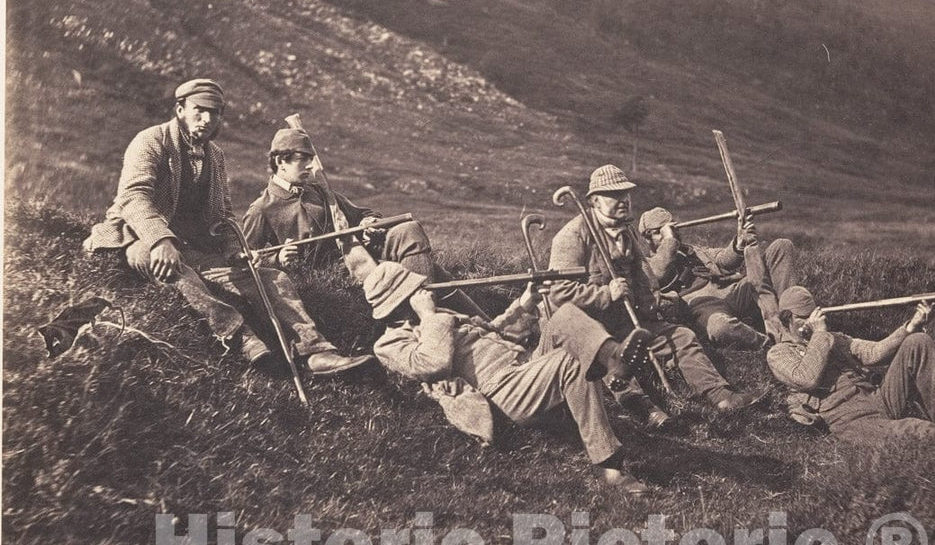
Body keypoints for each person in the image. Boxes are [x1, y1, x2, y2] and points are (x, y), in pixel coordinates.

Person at [83, 78, 372, 376]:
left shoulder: (215, 156)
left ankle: (316, 352)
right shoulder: (151, 141)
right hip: (136, 237)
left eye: (216, 113)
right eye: (200, 110)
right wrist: (160, 240)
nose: (208, 119)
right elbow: (134, 197)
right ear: (180, 109)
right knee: (169, 266)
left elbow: (222, 215)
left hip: (195, 249)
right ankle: (241, 338)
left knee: (271, 278)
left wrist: (236, 251)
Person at [364, 260, 649, 494]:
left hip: (523, 368)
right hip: (501, 391)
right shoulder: (390, 342)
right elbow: (432, 364)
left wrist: (524, 304)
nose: (425, 289)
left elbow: (490, 332)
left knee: (564, 315)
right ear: (402, 301)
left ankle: (614, 359)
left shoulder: (438, 314)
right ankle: (609, 465)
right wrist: (428, 317)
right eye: (417, 288)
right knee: (569, 362)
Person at [546, 164, 760, 428]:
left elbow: (646, 277)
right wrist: (605, 294)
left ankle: (721, 395)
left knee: (681, 336)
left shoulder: (627, 232)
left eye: (626, 194)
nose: (623, 200)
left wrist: (651, 302)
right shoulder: (572, 235)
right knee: (609, 355)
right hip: (590, 327)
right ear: (594, 201)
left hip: (628, 319)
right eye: (614, 195)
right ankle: (643, 409)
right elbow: (558, 294)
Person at [242, 128, 481, 314]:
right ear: (280, 161)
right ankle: (455, 318)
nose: (309, 165)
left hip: (361, 255)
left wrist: (368, 225)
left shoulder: (319, 192)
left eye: (310, 158)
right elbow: (246, 257)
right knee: (434, 273)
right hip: (332, 272)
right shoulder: (262, 208)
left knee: (409, 229)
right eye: (301, 159)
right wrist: (278, 258)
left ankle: (424, 311)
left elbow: (363, 214)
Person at [767, 285, 935, 442]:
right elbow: (806, 378)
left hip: (877, 397)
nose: (810, 322)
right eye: (803, 318)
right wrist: (819, 335)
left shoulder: (832, 337)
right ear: (787, 319)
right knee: (910, 429)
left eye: (813, 315)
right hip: (847, 418)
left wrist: (910, 326)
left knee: (918, 341)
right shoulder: (779, 353)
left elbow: (874, 353)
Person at [638, 207, 797, 349]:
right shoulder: (648, 264)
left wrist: (739, 243)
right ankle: (771, 345)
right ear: (647, 238)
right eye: (661, 231)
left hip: (731, 290)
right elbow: (659, 271)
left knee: (781, 246)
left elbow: (723, 260)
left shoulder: (691, 250)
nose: (672, 234)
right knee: (720, 328)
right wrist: (669, 241)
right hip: (703, 307)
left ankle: (792, 318)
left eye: (673, 228)